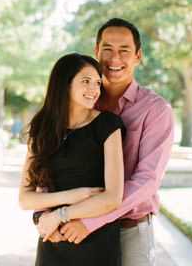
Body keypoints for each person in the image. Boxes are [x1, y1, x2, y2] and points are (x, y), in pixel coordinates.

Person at [36, 18, 175, 266]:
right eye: (108, 49)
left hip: (127, 229)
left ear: (138, 56)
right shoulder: (78, 102)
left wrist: (90, 221)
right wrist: (44, 215)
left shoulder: (156, 110)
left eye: (124, 51)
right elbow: (49, 161)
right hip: (70, 228)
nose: (115, 58)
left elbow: (147, 181)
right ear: (96, 52)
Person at [19, 53, 126, 265]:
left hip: (96, 241)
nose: (94, 90)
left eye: (97, 83)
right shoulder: (41, 129)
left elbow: (113, 198)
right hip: (53, 239)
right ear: (63, 84)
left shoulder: (108, 125)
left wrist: (60, 215)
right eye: (85, 81)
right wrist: (73, 196)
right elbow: (25, 199)